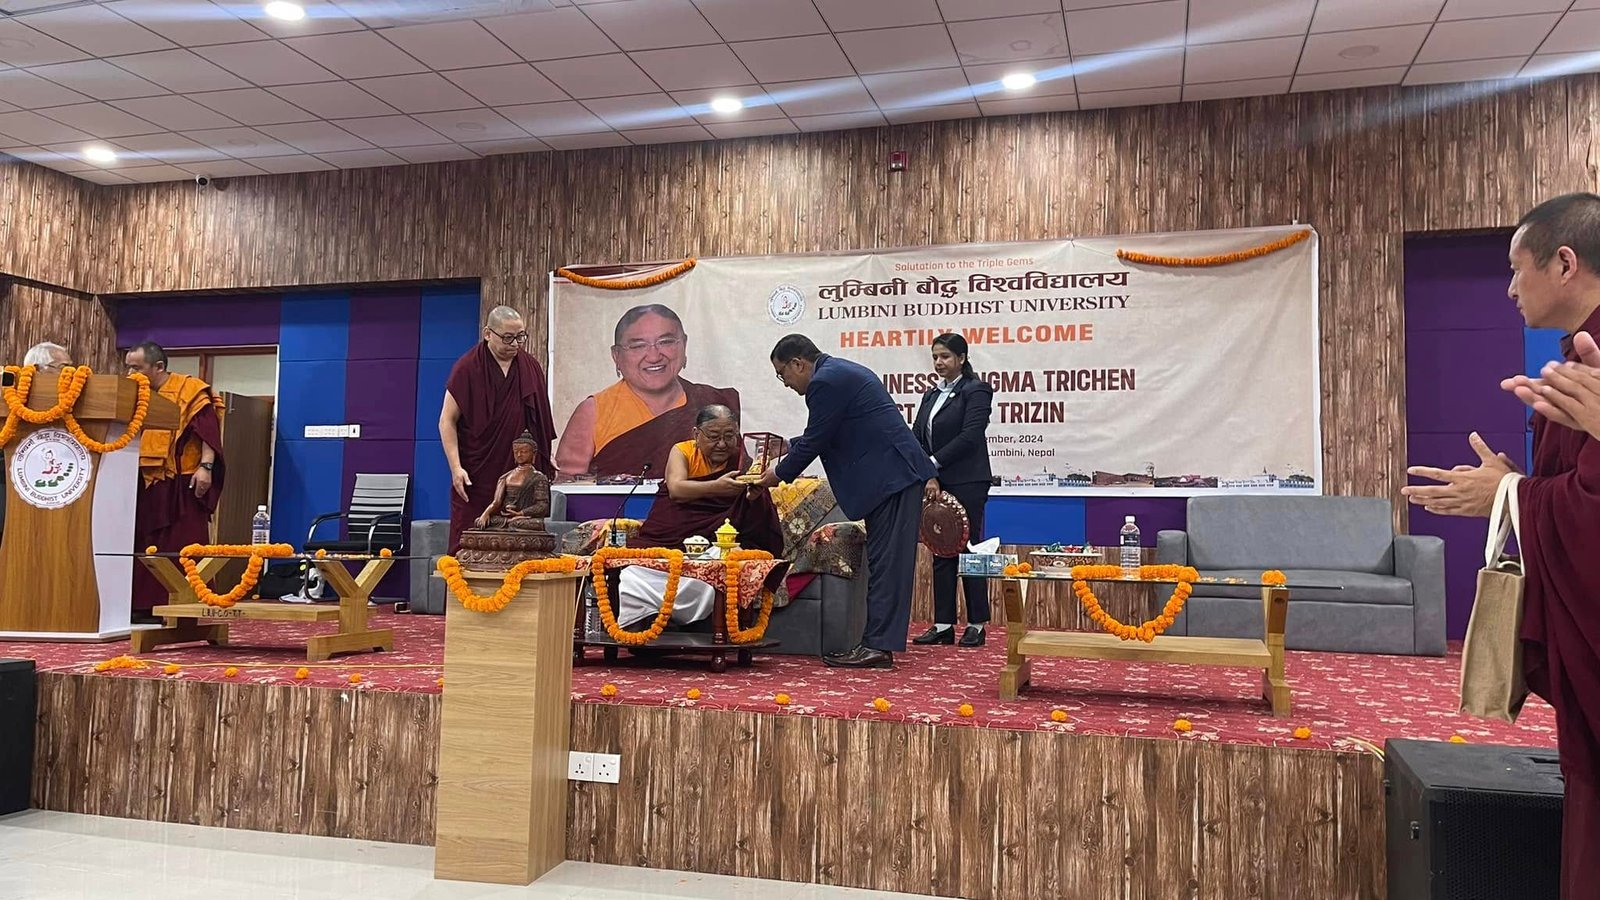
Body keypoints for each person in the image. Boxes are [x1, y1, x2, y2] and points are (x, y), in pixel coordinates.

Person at [1403, 192, 1600, 898]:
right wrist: (1519, 487)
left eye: (1518, 268)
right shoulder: (1576, 363)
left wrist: (1511, 497)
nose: (1511, 288)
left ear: (1565, 263)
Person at [757, 335, 936, 668]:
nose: (785, 383)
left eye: (783, 374)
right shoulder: (837, 372)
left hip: (892, 478)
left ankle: (877, 647)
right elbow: (835, 427)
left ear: (798, 363)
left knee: (888, 567)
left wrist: (778, 473)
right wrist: (790, 448)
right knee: (885, 564)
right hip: (890, 477)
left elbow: (817, 438)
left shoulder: (825, 382)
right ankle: (877, 643)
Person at [617, 405, 784, 630]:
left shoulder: (741, 460)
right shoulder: (683, 451)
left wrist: (753, 496)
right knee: (634, 573)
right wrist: (716, 487)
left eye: (729, 436)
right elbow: (676, 489)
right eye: (714, 437)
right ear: (696, 434)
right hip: (670, 543)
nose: (722, 444)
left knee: (724, 561)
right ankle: (643, 627)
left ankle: (700, 626)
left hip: (716, 546)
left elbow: (753, 510)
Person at [555, 304, 740, 481]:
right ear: (616, 356)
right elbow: (569, 486)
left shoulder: (712, 403)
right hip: (620, 505)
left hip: (704, 503)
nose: (654, 356)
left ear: (684, 345)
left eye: (665, 342)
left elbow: (736, 474)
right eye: (638, 346)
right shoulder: (594, 411)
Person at [439, 305, 556, 553]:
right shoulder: (468, 368)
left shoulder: (530, 367)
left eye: (520, 337)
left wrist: (546, 454)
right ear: (487, 333)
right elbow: (446, 420)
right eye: (508, 338)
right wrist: (456, 468)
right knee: (470, 542)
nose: (515, 344)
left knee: (522, 540)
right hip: (477, 473)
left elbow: (538, 420)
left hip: (520, 475)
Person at [126, 341, 224, 620]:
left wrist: (206, 466)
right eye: (128, 368)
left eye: (137, 368)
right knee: (145, 542)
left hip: (182, 481)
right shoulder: (133, 394)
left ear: (158, 367)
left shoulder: (189, 390)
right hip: (145, 479)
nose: (130, 374)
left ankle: (188, 604)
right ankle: (143, 606)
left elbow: (208, 431)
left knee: (183, 542)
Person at [910, 333, 994, 648]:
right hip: (936, 481)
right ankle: (943, 625)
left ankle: (977, 624)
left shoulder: (976, 390)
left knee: (969, 549)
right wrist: (928, 472)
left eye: (945, 356)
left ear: (961, 358)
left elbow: (970, 436)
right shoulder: (931, 395)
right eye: (935, 357)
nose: (939, 362)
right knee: (941, 550)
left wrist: (933, 463)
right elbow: (917, 435)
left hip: (968, 480)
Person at [471, 431, 552, 532]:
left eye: (524, 451)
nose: (519, 454)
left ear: (533, 453)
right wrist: (485, 514)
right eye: (516, 451)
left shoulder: (539, 478)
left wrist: (521, 513)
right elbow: (496, 502)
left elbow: (542, 506)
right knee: (480, 522)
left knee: (532, 524)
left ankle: (510, 525)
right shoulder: (505, 477)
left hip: (525, 519)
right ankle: (509, 524)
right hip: (506, 518)